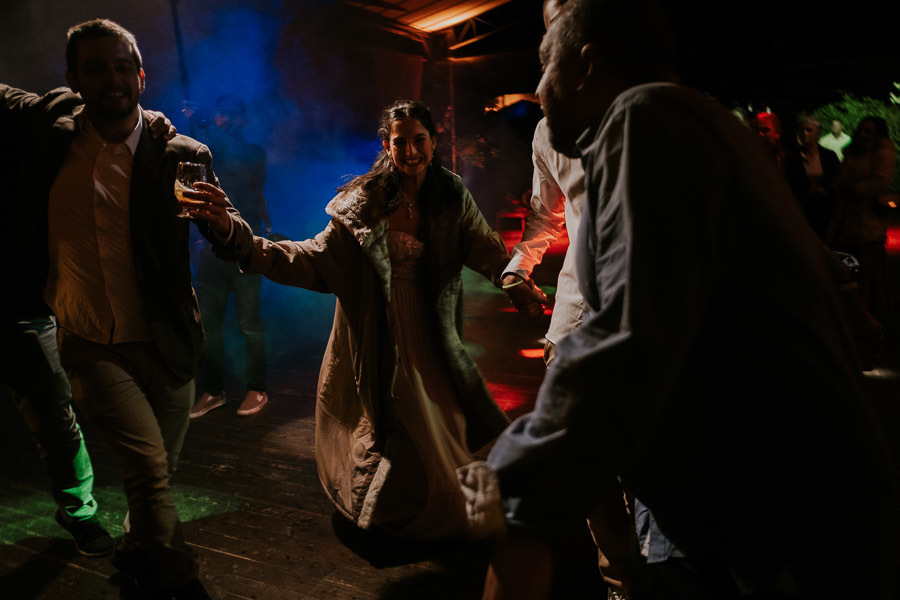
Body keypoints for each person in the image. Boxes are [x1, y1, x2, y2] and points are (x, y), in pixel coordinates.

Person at [464, 1, 896, 598]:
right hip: (754, 473)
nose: (536, 89)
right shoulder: (685, 121)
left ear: (586, 64)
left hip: (772, 489)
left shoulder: (645, 118)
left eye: (544, 63)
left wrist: (516, 485)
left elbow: (628, 340)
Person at [186, 99, 527, 540]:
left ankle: (440, 498)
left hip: (431, 330)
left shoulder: (450, 193)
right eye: (399, 142)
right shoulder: (362, 204)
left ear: (433, 141)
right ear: (386, 145)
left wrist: (514, 279)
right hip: (378, 331)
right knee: (394, 421)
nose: (410, 152)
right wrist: (238, 237)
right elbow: (308, 257)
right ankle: (402, 505)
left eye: (418, 141)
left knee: (439, 418)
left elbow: (483, 245)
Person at [1, 18, 247, 599]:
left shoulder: (180, 154)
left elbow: (234, 241)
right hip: (89, 343)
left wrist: (222, 224)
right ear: (73, 79)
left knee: (157, 476)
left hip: (166, 345)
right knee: (149, 476)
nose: (110, 79)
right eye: (94, 68)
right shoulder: (53, 134)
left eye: (120, 67)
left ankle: (141, 558)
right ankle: (179, 584)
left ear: (141, 76)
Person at [1, 88, 177, 559]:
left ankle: (76, 510)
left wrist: (146, 121)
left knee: (53, 412)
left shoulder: (8, 106)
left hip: (17, 303)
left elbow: (69, 102)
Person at [187, 94, 272, 418]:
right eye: (220, 115)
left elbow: (245, 178)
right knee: (208, 324)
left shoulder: (252, 153)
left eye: (230, 115)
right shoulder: (209, 153)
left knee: (249, 323)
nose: (224, 120)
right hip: (211, 249)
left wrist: (205, 124)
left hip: (243, 246)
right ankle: (213, 390)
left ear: (242, 120)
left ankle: (257, 387)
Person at [827, 116, 897, 316]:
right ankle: (854, 308)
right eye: (863, 130)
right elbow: (841, 177)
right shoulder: (853, 153)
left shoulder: (883, 153)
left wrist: (853, 188)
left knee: (867, 268)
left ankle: (867, 309)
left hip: (868, 220)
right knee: (850, 265)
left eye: (870, 131)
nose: (864, 135)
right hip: (847, 218)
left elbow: (880, 182)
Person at [784, 115, 841, 240]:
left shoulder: (828, 156)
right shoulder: (792, 156)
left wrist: (825, 189)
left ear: (818, 134)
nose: (805, 133)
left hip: (823, 211)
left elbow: (837, 179)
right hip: (800, 210)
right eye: (802, 130)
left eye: (809, 130)